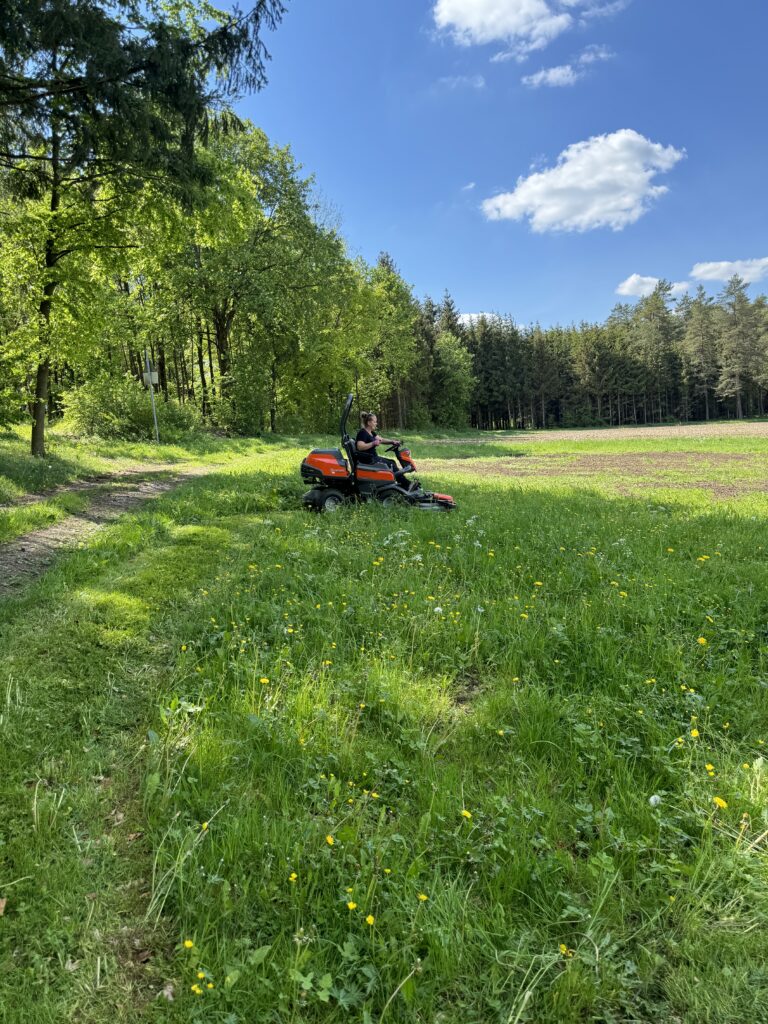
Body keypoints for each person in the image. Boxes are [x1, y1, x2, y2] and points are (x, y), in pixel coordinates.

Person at [355, 412, 407, 484]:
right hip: (369, 460)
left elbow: (381, 440)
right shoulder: (363, 433)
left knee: (392, 462)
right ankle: (405, 484)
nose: (376, 423)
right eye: (375, 422)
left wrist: (392, 442)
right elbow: (360, 446)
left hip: (372, 458)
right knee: (391, 464)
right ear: (369, 423)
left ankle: (400, 483)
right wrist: (373, 443)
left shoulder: (371, 432)